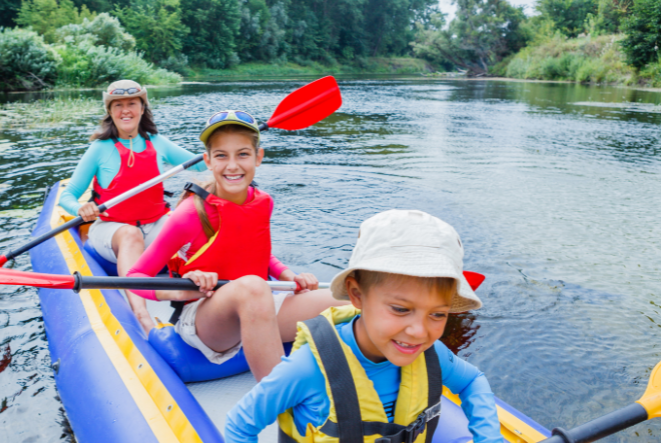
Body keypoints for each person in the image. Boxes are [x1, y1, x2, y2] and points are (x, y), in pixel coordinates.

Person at [225, 210, 504, 443]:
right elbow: (240, 426)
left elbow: (472, 381)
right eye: (400, 309)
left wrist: (489, 438)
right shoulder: (307, 368)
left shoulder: (432, 355)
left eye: (438, 314)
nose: (419, 332)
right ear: (357, 295)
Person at [126, 110, 348, 380]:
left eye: (242, 154)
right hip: (205, 320)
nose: (232, 165)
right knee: (253, 287)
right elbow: (135, 278)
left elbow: (257, 251)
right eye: (222, 155)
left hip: (258, 303)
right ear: (208, 160)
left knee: (349, 299)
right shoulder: (190, 214)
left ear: (258, 157)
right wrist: (178, 291)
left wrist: (286, 275)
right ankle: (280, 406)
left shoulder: (263, 201)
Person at [59, 80, 206, 333]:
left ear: (142, 109)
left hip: (155, 224)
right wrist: (80, 209)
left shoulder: (158, 143)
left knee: (191, 225)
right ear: (110, 112)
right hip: (112, 230)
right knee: (131, 234)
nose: (125, 110)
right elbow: (68, 196)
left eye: (131, 104)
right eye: (118, 105)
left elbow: (202, 165)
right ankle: (142, 315)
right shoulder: (99, 149)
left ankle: (204, 294)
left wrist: (221, 151)